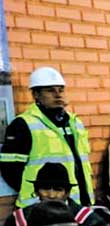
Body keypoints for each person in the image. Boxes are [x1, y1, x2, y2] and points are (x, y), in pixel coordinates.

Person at [2, 67, 94, 208]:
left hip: (77, 204)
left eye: (61, 90)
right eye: (50, 90)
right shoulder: (23, 124)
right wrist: (39, 193)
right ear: (36, 95)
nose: (58, 95)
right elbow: (10, 170)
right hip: (39, 207)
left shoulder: (75, 123)